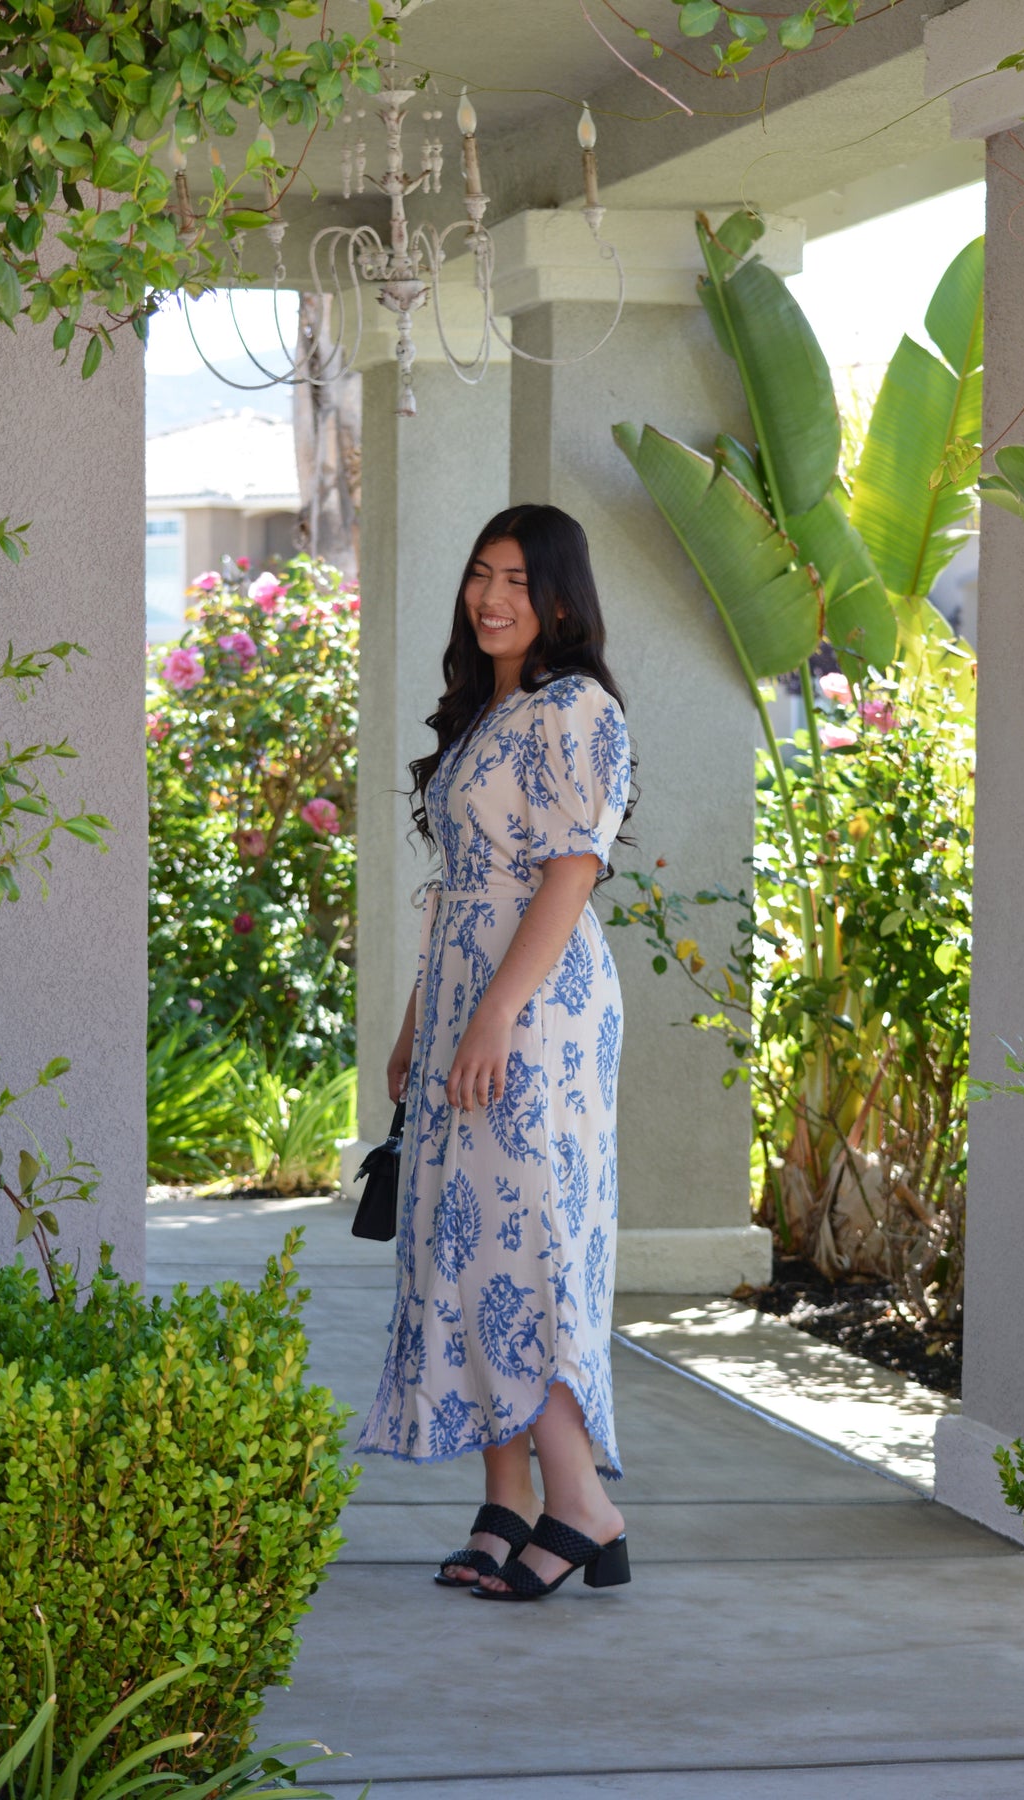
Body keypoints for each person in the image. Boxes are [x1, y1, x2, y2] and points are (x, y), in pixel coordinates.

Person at [357, 503, 635, 1602]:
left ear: (561, 598)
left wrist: (493, 1017)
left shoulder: (577, 707)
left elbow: (570, 874)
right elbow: (459, 893)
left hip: (539, 1006)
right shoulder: (488, 711)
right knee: (462, 1243)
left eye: (518, 579)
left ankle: (584, 1504)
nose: (492, 597)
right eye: (481, 573)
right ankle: (508, 1499)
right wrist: (421, 1020)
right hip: (471, 992)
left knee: (525, 1248)